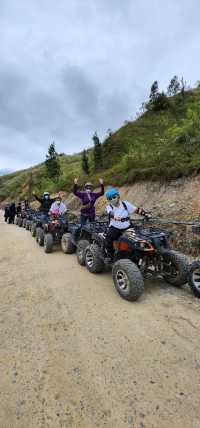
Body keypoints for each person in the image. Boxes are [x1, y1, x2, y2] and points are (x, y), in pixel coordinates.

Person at [105, 188, 148, 258]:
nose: (112, 199)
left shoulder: (125, 204)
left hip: (127, 227)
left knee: (135, 240)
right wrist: (114, 216)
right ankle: (110, 256)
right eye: (110, 198)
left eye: (114, 197)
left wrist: (145, 214)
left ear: (118, 196)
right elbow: (110, 213)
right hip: (115, 227)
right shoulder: (109, 207)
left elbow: (136, 210)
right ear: (108, 200)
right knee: (108, 239)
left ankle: (137, 256)